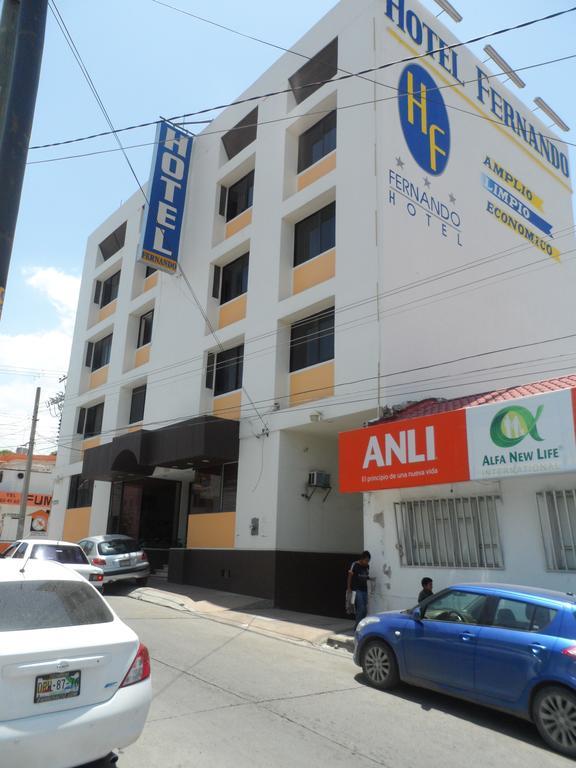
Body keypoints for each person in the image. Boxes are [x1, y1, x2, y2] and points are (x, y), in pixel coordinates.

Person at [347, 551, 371, 628]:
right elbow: (350, 576)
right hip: (356, 590)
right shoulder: (355, 565)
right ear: (362, 559)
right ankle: (357, 628)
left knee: (365, 611)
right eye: (366, 560)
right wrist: (349, 587)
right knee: (361, 609)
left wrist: (370, 579)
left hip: (365, 590)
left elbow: (365, 576)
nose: (367, 562)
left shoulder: (367, 566)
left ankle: (361, 627)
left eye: (368, 561)